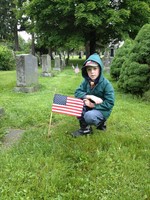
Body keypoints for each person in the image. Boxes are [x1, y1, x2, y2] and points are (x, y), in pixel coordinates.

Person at [72, 53, 115, 137]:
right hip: (89, 105)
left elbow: (110, 103)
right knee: (77, 104)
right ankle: (85, 129)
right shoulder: (86, 82)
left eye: (95, 69)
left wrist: (93, 105)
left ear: (100, 69)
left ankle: (101, 123)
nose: (92, 72)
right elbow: (77, 92)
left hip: (102, 109)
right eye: (89, 69)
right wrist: (89, 96)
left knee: (89, 116)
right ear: (86, 71)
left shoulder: (106, 84)